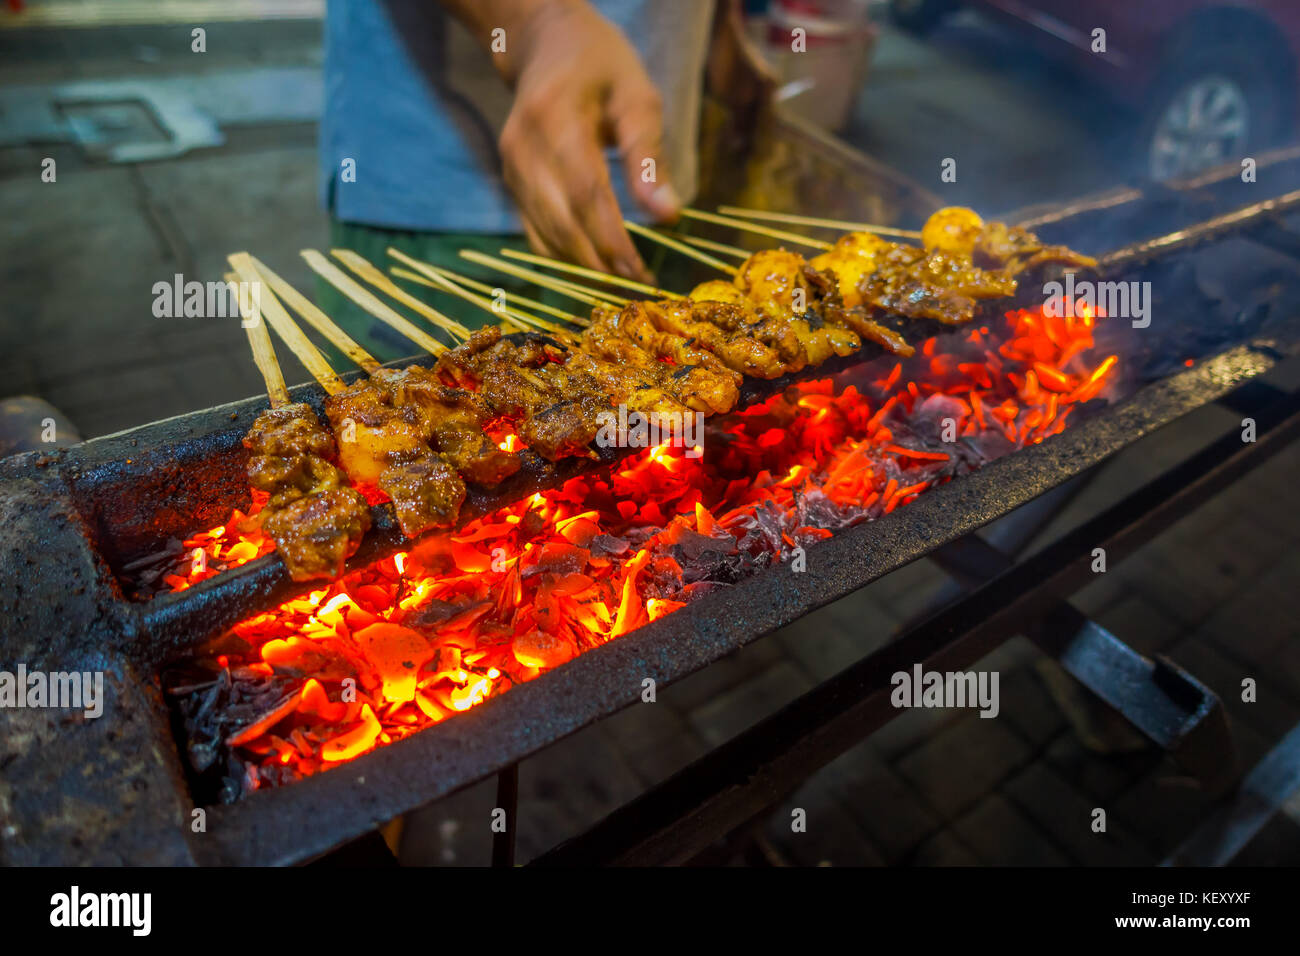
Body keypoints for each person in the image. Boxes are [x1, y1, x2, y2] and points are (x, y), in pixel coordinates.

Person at [319, 0, 766, 356]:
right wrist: (538, 22)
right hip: (443, 202)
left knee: (652, 441)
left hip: (650, 194)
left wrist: (717, 28)